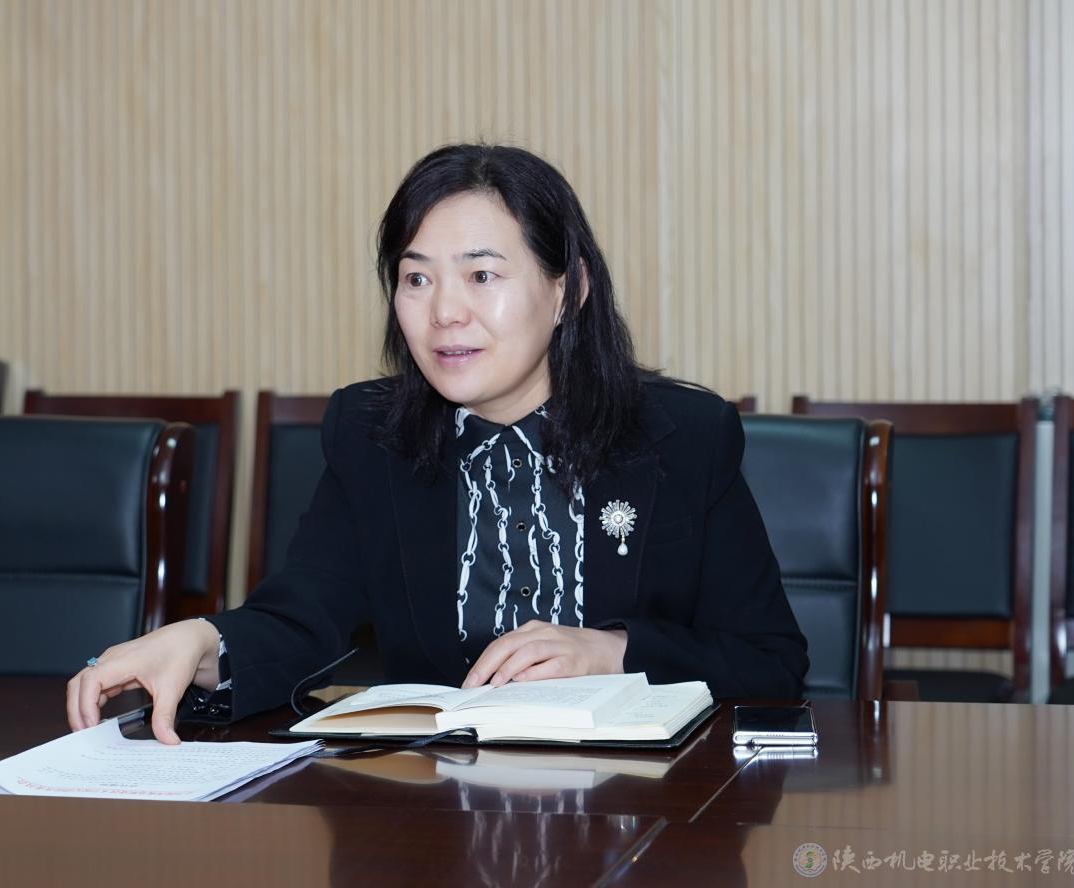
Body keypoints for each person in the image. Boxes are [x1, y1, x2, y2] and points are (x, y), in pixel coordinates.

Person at [68, 143, 808, 744]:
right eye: (416, 279)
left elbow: (769, 660)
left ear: (568, 290)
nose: (445, 312)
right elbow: (302, 619)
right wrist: (204, 643)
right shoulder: (371, 437)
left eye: (481, 275)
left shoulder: (682, 439)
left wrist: (614, 651)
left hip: (639, 820)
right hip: (434, 819)